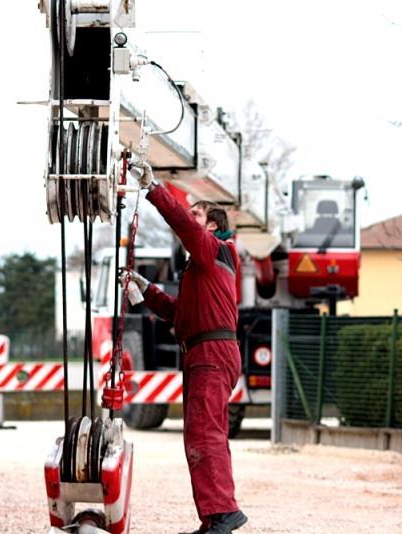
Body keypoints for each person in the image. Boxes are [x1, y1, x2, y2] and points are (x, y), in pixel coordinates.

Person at [128, 161, 248, 534]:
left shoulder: (217, 251)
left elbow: (182, 225)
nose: (190, 216)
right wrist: (145, 289)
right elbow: (179, 315)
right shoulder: (202, 269)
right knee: (200, 434)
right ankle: (214, 516)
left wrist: (154, 190)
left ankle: (224, 513)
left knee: (204, 434)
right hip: (203, 352)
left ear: (212, 225)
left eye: (196, 212)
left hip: (211, 354)